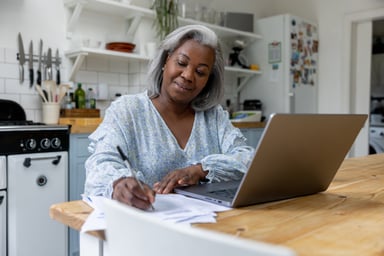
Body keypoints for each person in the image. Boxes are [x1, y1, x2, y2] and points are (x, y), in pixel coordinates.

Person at [84, 25, 255, 210]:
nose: (188, 75)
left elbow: (247, 159)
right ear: (166, 60)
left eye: (200, 72)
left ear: (208, 80)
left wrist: (201, 170)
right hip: (147, 226)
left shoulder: (214, 117)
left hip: (206, 228)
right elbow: (99, 164)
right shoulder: (128, 110)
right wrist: (118, 183)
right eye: (182, 63)